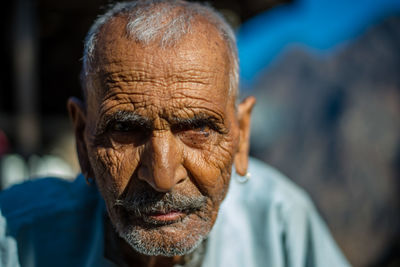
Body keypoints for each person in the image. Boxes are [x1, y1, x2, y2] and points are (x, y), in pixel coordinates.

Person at [0, 1, 350, 266]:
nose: (163, 177)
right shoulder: (16, 239)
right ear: (81, 138)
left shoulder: (280, 225)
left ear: (241, 136)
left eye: (198, 128)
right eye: (124, 129)